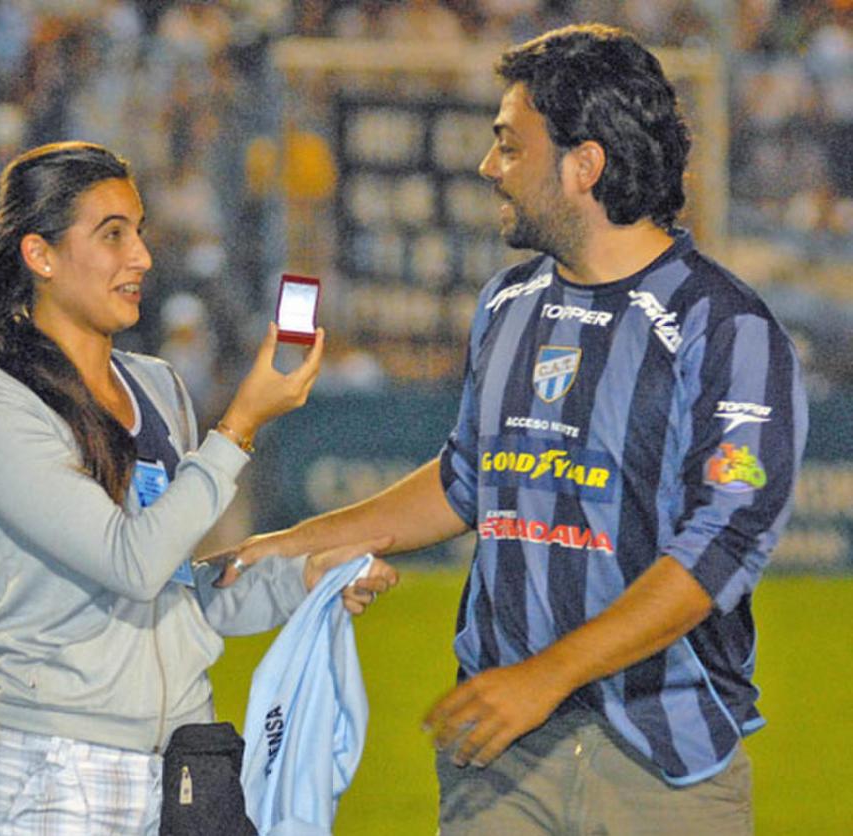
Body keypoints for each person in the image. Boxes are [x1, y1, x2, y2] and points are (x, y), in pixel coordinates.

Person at [227, 24, 808, 834]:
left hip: (662, 766)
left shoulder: (725, 326)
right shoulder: (508, 302)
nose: (487, 167)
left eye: (508, 144)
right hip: (501, 761)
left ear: (585, 164)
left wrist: (547, 676)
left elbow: (720, 544)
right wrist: (287, 542)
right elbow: (468, 479)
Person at [0, 140, 397, 835]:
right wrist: (240, 424)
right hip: (56, 776)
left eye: (140, 230)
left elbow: (174, 592)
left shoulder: (156, 386)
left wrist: (303, 581)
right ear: (40, 255)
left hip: (182, 772)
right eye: (112, 234)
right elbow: (131, 561)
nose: (142, 257)